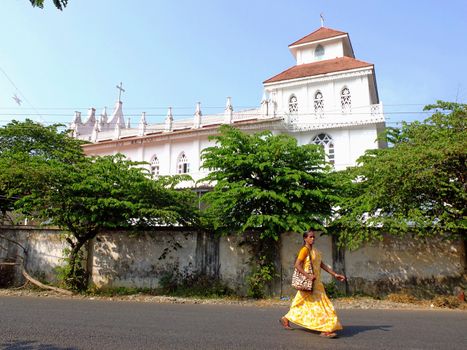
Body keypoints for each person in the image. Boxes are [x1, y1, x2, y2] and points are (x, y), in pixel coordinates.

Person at [279, 229, 346, 338]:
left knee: (300, 303)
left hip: (316, 283)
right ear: (305, 238)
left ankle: (286, 318)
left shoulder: (315, 251)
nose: (312, 239)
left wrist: (335, 274)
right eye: (310, 237)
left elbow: (321, 264)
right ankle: (325, 329)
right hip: (309, 282)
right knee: (322, 305)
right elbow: (297, 265)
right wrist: (308, 276)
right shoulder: (304, 250)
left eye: (314, 237)